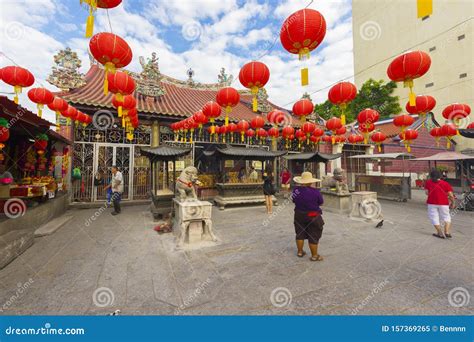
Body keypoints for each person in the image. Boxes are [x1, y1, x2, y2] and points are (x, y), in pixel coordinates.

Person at [292, 171, 324, 261]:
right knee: (314, 233)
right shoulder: (316, 192)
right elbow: (321, 203)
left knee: (299, 232)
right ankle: (314, 256)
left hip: (299, 214)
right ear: (310, 182)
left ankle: (300, 251)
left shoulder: (296, 190)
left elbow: (293, 200)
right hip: (313, 215)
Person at [424, 168, 455, 238]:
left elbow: (426, 193)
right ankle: (447, 232)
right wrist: (453, 203)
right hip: (444, 203)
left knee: (433, 217)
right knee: (446, 216)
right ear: (440, 176)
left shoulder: (428, 182)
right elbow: (450, 195)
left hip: (432, 202)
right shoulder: (445, 183)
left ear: (431, 176)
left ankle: (439, 232)